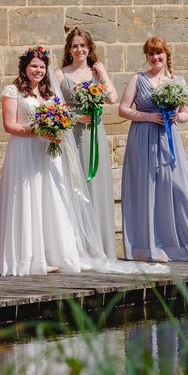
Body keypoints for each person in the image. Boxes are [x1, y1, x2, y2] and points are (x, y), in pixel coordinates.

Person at [0, 46, 87, 276]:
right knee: (27, 198)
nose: (38, 70)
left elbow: (61, 117)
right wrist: (38, 132)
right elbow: (10, 125)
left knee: (50, 198)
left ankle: (53, 253)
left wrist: (58, 129)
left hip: (46, 151)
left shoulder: (50, 94)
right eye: (33, 66)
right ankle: (27, 258)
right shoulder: (12, 91)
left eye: (42, 67)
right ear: (24, 68)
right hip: (24, 151)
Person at [118, 37, 188, 263]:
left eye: (158, 53)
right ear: (146, 57)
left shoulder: (178, 81)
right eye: (150, 54)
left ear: (166, 55)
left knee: (179, 188)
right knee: (147, 191)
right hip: (142, 138)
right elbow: (122, 110)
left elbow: (186, 113)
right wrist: (149, 116)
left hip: (169, 140)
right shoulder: (138, 79)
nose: (155, 58)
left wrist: (177, 117)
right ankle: (149, 247)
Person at [55, 27, 118, 261]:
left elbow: (112, 98)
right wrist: (75, 117)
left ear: (89, 48)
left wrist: (102, 74)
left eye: (83, 45)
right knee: (74, 185)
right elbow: (56, 108)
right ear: (69, 49)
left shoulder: (96, 72)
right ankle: (76, 248)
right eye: (75, 46)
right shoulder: (60, 74)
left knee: (97, 186)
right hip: (72, 135)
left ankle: (101, 247)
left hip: (95, 134)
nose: (79, 49)